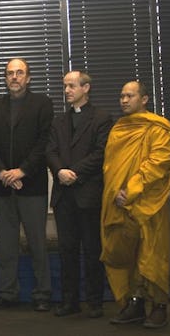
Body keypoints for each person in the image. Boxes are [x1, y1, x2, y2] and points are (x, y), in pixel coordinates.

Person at [102, 81, 170, 329]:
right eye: (122, 95)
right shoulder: (118, 129)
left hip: (148, 204)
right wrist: (117, 193)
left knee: (152, 255)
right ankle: (134, 303)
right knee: (128, 254)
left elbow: (159, 162)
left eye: (130, 95)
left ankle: (158, 306)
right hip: (120, 203)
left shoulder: (158, 127)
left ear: (144, 99)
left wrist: (132, 190)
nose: (124, 100)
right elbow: (111, 168)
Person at [0, 58, 53, 312]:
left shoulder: (42, 104)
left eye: (19, 73)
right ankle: (7, 293)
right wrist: (2, 172)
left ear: (28, 77)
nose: (14, 77)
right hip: (3, 185)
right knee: (6, 244)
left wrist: (22, 171)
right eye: (10, 73)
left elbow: (44, 141)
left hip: (32, 184)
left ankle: (43, 293)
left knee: (37, 242)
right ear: (5, 78)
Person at [46, 71, 111, 318]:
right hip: (64, 195)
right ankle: (69, 301)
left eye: (71, 86)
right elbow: (50, 150)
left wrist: (73, 172)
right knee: (67, 250)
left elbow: (100, 153)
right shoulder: (58, 121)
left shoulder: (102, 118)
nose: (67, 91)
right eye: (64, 86)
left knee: (93, 250)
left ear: (86, 88)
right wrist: (60, 170)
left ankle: (95, 302)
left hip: (88, 193)